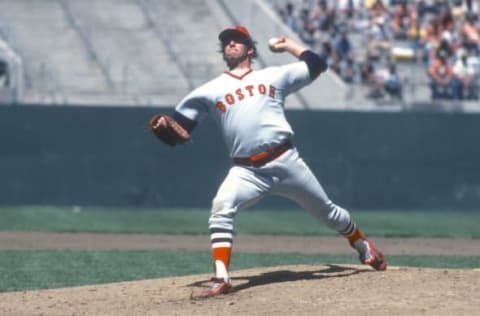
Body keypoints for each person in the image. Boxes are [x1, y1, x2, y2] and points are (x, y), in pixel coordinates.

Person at [150, 26, 387, 298]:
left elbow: (317, 64)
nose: (230, 44)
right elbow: (181, 127)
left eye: (237, 40)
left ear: (250, 48)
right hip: (246, 170)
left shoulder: (274, 75)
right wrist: (166, 125)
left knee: (328, 212)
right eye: (226, 42)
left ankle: (361, 244)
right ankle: (222, 278)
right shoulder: (209, 90)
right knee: (221, 208)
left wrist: (290, 45)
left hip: (285, 160)